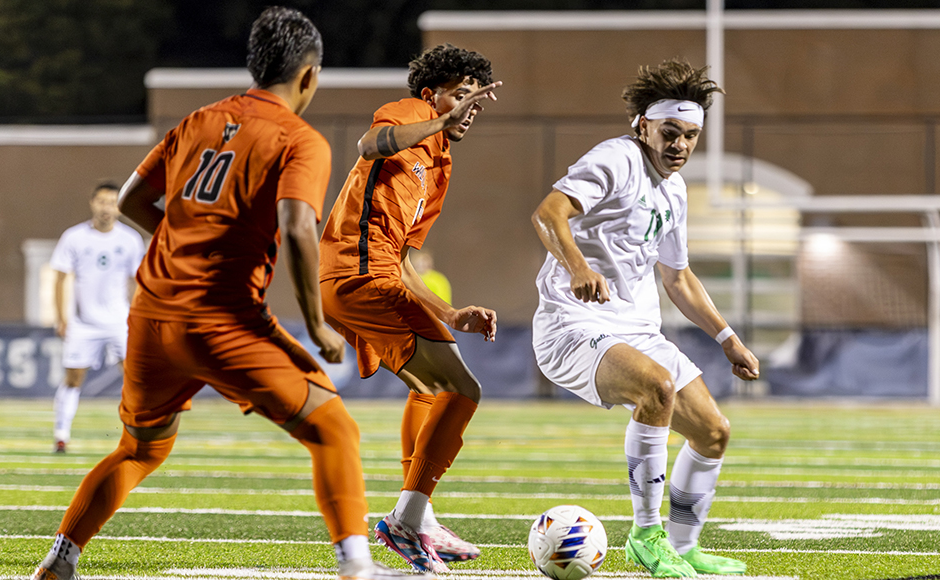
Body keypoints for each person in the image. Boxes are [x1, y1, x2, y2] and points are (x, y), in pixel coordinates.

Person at [31, 8, 427, 580]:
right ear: (309, 76)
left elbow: (132, 203)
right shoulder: (301, 139)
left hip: (149, 316)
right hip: (219, 320)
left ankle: (60, 559)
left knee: (140, 449)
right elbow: (296, 224)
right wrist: (317, 327)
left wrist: (185, 236)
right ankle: (356, 566)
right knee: (335, 429)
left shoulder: (199, 120)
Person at [530, 59, 759, 578]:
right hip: (573, 326)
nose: (679, 144)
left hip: (634, 330)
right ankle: (646, 535)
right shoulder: (617, 158)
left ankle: (681, 546)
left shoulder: (674, 191)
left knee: (713, 433)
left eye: (691, 135)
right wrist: (578, 266)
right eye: (670, 132)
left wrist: (727, 338)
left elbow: (677, 278)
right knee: (656, 388)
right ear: (643, 126)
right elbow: (549, 213)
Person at [318, 43, 500, 573]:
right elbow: (370, 142)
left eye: (477, 101)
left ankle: (417, 514)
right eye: (461, 95)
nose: (471, 109)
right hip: (356, 275)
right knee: (463, 388)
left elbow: (402, 257)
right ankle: (407, 517)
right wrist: (441, 117)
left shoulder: (440, 166)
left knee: (432, 390)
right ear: (432, 95)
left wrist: (447, 312)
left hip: (373, 274)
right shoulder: (412, 114)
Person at [49, 182, 145, 454]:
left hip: (119, 321)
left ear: (120, 207)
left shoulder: (129, 239)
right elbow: (60, 276)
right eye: (102, 202)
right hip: (83, 323)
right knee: (73, 378)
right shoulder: (74, 237)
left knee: (132, 378)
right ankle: (61, 435)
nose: (107, 208)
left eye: (113, 203)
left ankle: (136, 435)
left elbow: (137, 281)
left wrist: (137, 316)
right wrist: (61, 317)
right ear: (93, 203)